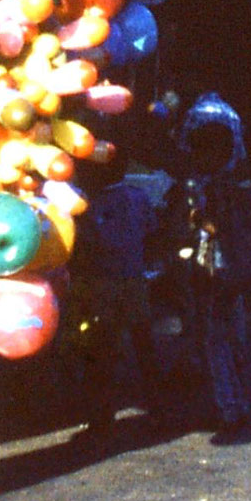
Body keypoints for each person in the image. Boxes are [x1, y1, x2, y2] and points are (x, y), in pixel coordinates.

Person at [165, 118, 251, 433]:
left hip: (219, 270)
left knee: (215, 340)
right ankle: (237, 401)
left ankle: (228, 407)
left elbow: (212, 226)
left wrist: (195, 218)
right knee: (233, 338)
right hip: (240, 270)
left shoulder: (214, 187)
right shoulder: (241, 183)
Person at [69, 153, 160, 437]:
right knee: (143, 345)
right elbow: (152, 230)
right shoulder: (137, 195)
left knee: (103, 352)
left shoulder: (89, 204)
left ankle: (102, 417)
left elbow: (85, 244)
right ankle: (158, 406)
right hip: (134, 279)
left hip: (103, 284)